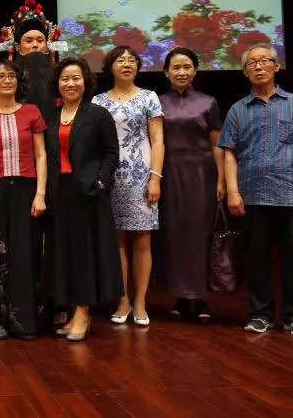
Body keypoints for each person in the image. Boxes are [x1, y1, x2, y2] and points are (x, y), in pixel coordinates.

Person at [218, 43, 293, 337]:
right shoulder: (238, 109)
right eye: (252, 63)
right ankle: (259, 313)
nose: (258, 66)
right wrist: (233, 191)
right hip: (251, 193)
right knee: (256, 258)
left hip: (289, 192)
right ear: (245, 72)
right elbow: (229, 152)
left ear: (277, 67)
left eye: (265, 61)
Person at [44, 57, 122, 341]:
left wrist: (100, 182)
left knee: (85, 254)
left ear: (85, 81)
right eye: (65, 78)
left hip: (88, 194)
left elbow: (111, 153)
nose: (70, 84)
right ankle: (70, 308)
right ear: (57, 83)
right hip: (58, 194)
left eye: (76, 78)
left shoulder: (98, 114)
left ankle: (83, 312)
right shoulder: (50, 117)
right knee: (64, 254)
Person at [0, 61, 47, 339]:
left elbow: (41, 155)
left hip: (26, 190)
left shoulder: (31, 111)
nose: (6, 80)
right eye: (0, 76)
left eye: (11, 76)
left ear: (18, 81)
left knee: (25, 253)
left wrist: (40, 194)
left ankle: (25, 321)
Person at [92, 45, 164, 327]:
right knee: (117, 241)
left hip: (141, 176)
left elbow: (157, 140)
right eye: (120, 60)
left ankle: (140, 301)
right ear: (110, 67)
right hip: (109, 177)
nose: (126, 64)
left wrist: (155, 177)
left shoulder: (149, 97)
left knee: (142, 240)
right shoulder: (98, 101)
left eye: (131, 60)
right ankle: (122, 300)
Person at [159, 47, 224, 324]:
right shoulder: (157, 102)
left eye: (187, 66)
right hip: (169, 175)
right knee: (174, 235)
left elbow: (218, 144)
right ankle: (180, 297)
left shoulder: (209, 102)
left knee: (200, 235)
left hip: (202, 177)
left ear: (195, 70)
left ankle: (201, 298)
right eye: (176, 67)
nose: (182, 72)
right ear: (166, 72)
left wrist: (221, 179)